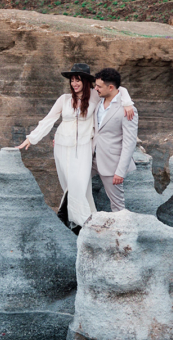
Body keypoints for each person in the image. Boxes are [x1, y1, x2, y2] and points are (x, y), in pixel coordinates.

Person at [18, 63, 134, 229]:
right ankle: (72, 223)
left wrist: (128, 103)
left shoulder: (95, 95)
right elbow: (48, 120)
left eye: (78, 80)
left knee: (79, 183)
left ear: (86, 81)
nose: (74, 83)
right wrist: (31, 138)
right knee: (69, 186)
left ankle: (82, 222)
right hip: (62, 148)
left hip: (84, 148)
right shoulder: (64, 99)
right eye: (72, 80)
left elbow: (118, 88)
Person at [92, 68, 138, 212]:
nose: (95, 89)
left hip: (112, 163)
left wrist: (120, 171)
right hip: (92, 158)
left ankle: (120, 232)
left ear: (110, 87)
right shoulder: (99, 102)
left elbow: (129, 143)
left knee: (117, 205)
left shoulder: (128, 110)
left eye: (99, 86)